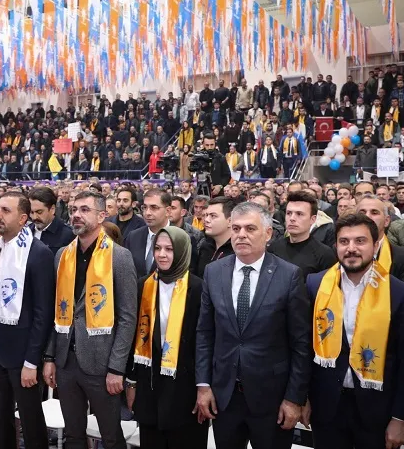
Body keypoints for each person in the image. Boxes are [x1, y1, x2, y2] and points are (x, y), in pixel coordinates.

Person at [195, 202, 311, 449]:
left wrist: (294, 398)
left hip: (272, 399)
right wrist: (203, 385)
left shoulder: (289, 275)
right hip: (224, 397)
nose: (241, 235)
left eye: (250, 228)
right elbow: (205, 333)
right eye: (235, 228)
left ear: (268, 234)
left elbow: (301, 343)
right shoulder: (213, 272)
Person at [303, 213, 404, 448]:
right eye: (344, 241)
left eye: (360, 241)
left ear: (376, 245)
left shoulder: (401, 292)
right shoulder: (315, 284)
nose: (351, 248)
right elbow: (304, 348)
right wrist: (303, 398)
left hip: (377, 410)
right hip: (326, 406)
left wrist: (400, 417)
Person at [42, 191, 137, 449]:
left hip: (102, 363)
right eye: (73, 209)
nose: (76, 215)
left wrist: (117, 368)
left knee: (110, 436)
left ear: (101, 215)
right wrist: (50, 358)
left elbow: (128, 318)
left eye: (84, 209)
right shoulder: (63, 255)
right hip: (65, 360)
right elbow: (57, 312)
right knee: (73, 435)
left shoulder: (119, 256)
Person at [0, 192, 55, 449]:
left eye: (5, 211)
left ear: (23, 218)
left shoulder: (38, 252)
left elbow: (43, 312)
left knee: (31, 421)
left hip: (23, 355)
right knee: (1, 416)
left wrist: (33, 360)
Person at [126, 226, 208, 447]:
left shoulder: (198, 288)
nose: (162, 254)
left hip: (185, 388)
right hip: (150, 385)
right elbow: (135, 336)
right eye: (158, 248)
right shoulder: (144, 284)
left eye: (169, 249)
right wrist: (131, 383)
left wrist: (204, 387)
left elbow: (205, 343)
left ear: (182, 251)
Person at [268, 191, 337, 279]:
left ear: (312, 219)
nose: (292, 218)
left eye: (299, 214)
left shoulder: (324, 255)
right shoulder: (274, 248)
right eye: (289, 213)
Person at [357, 196, 404, 285]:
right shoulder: (341, 252)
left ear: (386, 221)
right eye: (362, 213)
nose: (367, 217)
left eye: (374, 212)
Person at [125, 189, 173, 277]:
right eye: (144, 207)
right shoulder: (133, 237)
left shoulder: (182, 238)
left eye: (154, 208)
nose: (147, 213)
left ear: (168, 211)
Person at [28, 186, 75, 258]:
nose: (34, 217)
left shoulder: (69, 235)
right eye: (31, 212)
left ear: (52, 209)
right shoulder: (25, 232)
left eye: (39, 212)